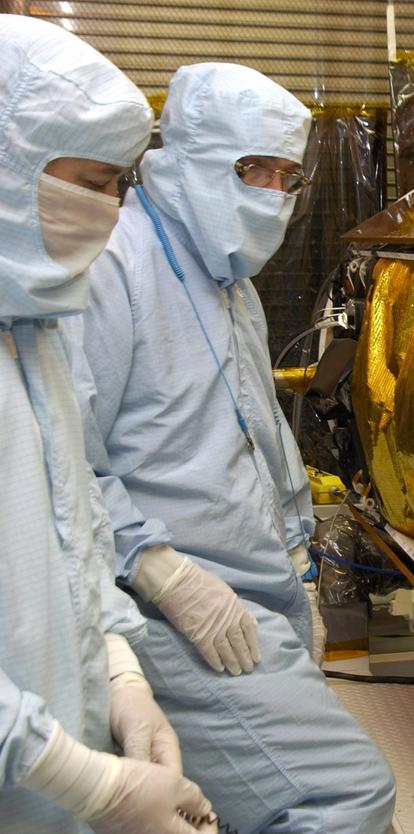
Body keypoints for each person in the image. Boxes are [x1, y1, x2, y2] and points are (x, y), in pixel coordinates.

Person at [68, 62, 396, 833]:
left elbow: (258, 438)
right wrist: (166, 573)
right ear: (183, 155)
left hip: (260, 595)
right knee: (348, 798)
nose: (272, 194)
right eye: (253, 169)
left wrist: (299, 570)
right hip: (175, 610)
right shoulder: (112, 264)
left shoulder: (231, 282)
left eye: (286, 176)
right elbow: (64, 466)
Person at [0, 16, 216, 834]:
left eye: (117, 183)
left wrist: (121, 672)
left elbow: (73, 528)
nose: (111, 210)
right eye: (88, 182)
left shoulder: (37, 328)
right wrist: (89, 783)